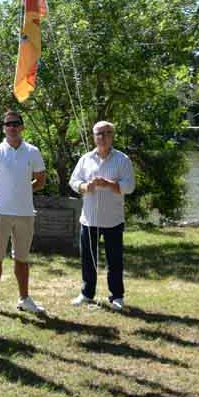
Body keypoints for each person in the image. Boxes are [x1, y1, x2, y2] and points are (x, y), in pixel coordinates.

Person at [0, 110, 47, 316]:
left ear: (22, 127)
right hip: (0, 212)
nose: (13, 127)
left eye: (16, 123)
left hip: (25, 213)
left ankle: (24, 299)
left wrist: (25, 189)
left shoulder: (32, 152)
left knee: (22, 259)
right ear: (3, 128)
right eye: (8, 124)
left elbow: (41, 180)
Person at [68, 120, 135, 311]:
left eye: (106, 133)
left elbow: (129, 186)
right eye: (99, 134)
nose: (102, 137)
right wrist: (84, 187)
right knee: (88, 260)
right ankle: (87, 294)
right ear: (93, 136)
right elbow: (74, 181)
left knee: (115, 260)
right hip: (89, 219)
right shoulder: (85, 159)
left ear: (112, 136)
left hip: (113, 220)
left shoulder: (122, 160)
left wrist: (109, 184)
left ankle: (117, 296)